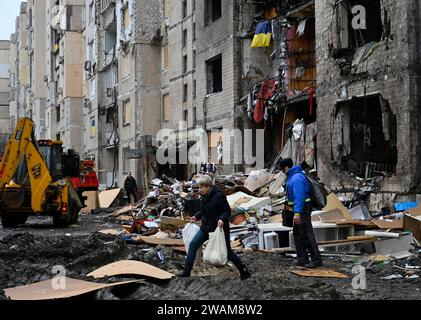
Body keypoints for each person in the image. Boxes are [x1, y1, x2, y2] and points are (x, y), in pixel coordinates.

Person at [178, 175, 251, 280]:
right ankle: (186, 272)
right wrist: (196, 216)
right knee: (193, 245)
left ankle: (244, 271)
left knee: (227, 252)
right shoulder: (204, 196)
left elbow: (227, 211)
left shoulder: (218, 196)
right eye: (199, 187)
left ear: (208, 186)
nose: (200, 190)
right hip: (206, 227)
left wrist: (221, 219)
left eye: (202, 187)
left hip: (219, 228)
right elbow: (203, 210)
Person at [278, 158, 323, 269]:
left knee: (307, 233)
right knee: (298, 235)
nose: (282, 171)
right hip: (298, 208)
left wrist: (297, 213)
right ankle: (302, 259)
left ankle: (316, 260)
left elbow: (299, 197)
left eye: (282, 169)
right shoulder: (293, 177)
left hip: (302, 209)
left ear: (287, 167)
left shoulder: (297, 178)